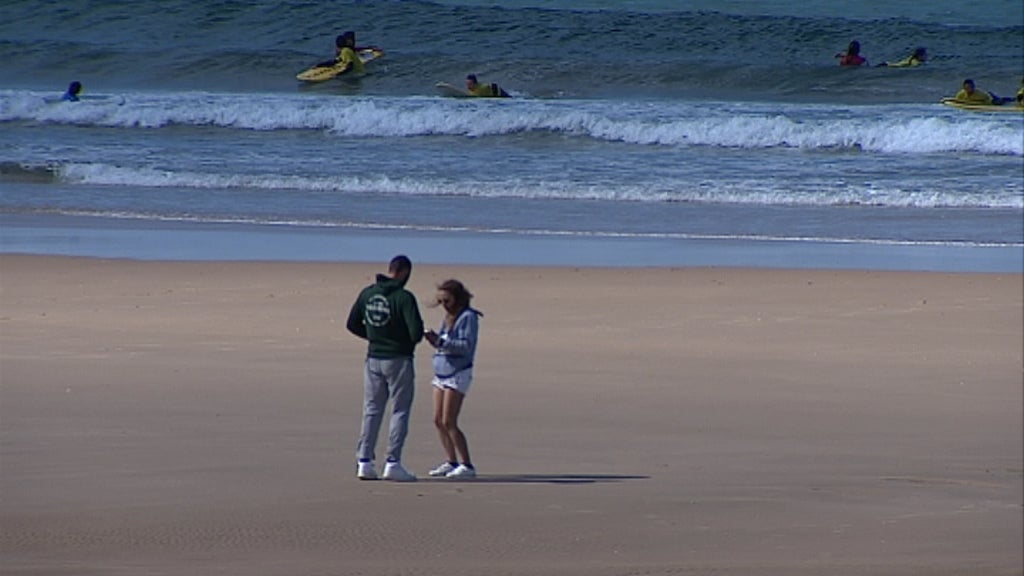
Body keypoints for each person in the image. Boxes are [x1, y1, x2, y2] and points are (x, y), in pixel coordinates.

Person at [346, 255, 425, 482]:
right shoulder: (404, 298)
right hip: (398, 358)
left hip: (373, 358)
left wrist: (373, 336)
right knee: (399, 410)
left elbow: (352, 324)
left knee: (372, 409)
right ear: (403, 272)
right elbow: (415, 333)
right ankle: (393, 462)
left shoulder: (368, 293)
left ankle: (364, 460)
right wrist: (398, 341)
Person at [425, 279, 483, 479]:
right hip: (441, 371)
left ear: (457, 298)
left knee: (450, 421)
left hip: (458, 372)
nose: (444, 305)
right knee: (438, 420)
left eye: (447, 300)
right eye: (441, 301)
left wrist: (441, 342)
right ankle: (451, 461)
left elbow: (465, 346)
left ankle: (467, 464)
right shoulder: (447, 317)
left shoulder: (468, 318)